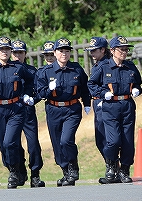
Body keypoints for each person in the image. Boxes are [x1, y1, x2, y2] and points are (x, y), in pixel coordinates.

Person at [0, 36, 35, 189]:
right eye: (1, 49)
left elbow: (30, 80)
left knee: (10, 141)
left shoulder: (17, 67)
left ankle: (14, 172)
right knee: (3, 145)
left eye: (7, 49)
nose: (4, 52)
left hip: (16, 108)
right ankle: (14, 168)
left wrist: (27, 94)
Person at [36, 38, 91, 186]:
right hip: (53, 109)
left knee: (66, 140)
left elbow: (85, 88)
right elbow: (40, 93)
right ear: (55, 53)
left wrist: (87, 104)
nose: (64, 54)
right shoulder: (46, 72)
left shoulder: (76, 69)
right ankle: (65, 171)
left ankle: (73, 167)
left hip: (72, 109)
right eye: (61, 51)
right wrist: (49, 89)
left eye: (67, 51)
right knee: (57, 144)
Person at [88, 36, 142, 184]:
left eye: (126, 49)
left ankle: (124, 170)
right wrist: (102, 94)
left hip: (127, 106)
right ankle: (111, 164)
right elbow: (91, 85)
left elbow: (138, 84)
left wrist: (137, 90)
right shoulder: (103, 67)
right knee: (113, 140)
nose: (124, 52)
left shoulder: (130, 67)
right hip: (110, 107)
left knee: (127, 141)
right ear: (112, 51)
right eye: (121, 49)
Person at [11, 40, 45, 188]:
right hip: (12, 110)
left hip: (27, 110)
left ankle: (35, 174)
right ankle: (19, 170)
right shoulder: (6, 69)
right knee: (13, 143)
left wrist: (33, 99)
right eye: (15, 52)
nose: (18, 55)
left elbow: (39, 91)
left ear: (25, 54)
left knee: (33, 144)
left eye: (20, 52)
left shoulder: (32, 70)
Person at [85, 37, 111, 161]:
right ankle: (111, 165)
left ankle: (112, 165)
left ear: (102, 50)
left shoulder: (106, 64)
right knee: (100, 138)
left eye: (94, 50)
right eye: (91, 51)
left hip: (103, 101)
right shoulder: (98, 64)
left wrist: (101, 96)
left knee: (104, 138)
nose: (92, 53)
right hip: (96, 101)